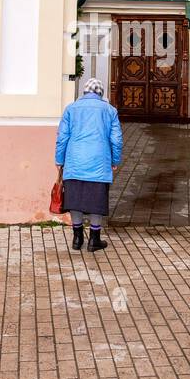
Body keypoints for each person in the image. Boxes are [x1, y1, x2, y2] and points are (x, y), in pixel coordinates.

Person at [55, 78, 123, 253]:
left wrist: (59, 160)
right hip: (99, 163)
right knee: (96, 201)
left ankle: (77, 239)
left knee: (75, 200)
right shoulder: (110, 110)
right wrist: (115, 160)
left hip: (74, 162)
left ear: (84, 93)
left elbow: (62, 137)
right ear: (100, 94)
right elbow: (116, 139)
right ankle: (94, 240)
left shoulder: (71, 108)